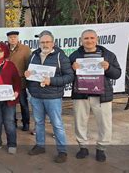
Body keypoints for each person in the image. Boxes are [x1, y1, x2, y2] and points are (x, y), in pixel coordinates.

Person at [69, 29, 121, 162]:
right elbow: (68, 75)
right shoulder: (74, 55)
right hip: (81, 94)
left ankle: (101, 148)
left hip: (101, 95)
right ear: (81, 40)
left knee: (105, 124)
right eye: (86, 38)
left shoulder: (108, 55)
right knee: (80, 122)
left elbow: (117, 74)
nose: (89, 41)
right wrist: (72, 68)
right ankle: (83, 147)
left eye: (92, 38)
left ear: (96, 39)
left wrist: (108, 67)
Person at [25, 30, 74, 163]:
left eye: (48, 42)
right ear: (39, 43)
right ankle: (40, 145)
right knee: (39, 122)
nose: (45, 44)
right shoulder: (33, 56)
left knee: (57, 124)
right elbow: (29, 74)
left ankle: (62, 151)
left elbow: (70, 76)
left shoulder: (60, 56)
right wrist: (27, 75)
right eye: (42, 42)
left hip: (53, 97)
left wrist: (51, 81)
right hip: (36, 96)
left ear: (53, 43)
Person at [7, 31, 31, 131]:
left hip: (21, 80)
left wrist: (28, 79)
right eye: (11, 37)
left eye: (14, 37)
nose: (13, 39)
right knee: (10, 103)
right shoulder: (5, 50)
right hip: (8, 81)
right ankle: (13, 122)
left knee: (23, 103)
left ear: (18, 38)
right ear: (8, 39)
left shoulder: (25, 49)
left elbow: (29, 65)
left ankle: (26, 123)